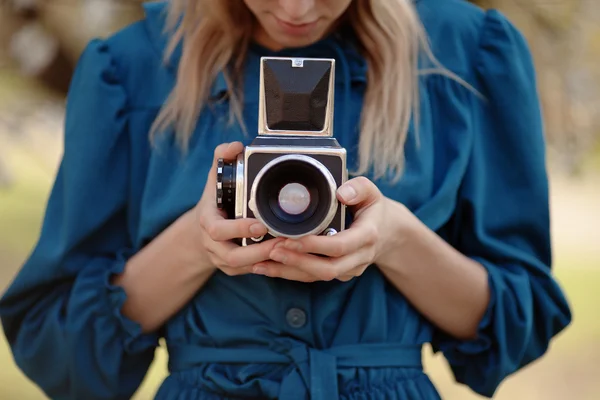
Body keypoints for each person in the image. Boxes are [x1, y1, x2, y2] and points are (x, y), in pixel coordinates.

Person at [0, 0, 572, 399]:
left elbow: (522, 322)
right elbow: (61, 356)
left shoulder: (464, 54)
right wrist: (197, 245)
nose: (297, 9)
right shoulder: (134, 68)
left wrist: (396, 240)